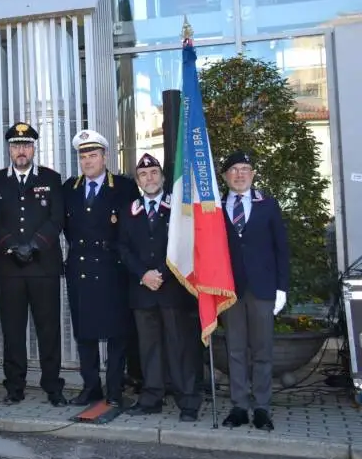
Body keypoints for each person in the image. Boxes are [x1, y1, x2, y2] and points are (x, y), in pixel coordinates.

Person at [0, 122, 68, 406]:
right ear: (9, 149)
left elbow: (57, 218)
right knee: (12, 331)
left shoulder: (51, 178)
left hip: (43, 266)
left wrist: (34, 245)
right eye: (16, 145)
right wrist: (12, 245)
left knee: (48, 330)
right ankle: (14, 387)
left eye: (26, 145)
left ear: (34, 147)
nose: (21, 150)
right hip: (10, 268)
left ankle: (53, 387)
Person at [118, 153, 200, 421]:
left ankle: (187, 400)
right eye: (143, 174)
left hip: (172, 289)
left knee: (178, 347)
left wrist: (161, 274)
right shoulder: (130, 210)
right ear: (138, 180)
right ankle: (152, 396)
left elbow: (184, 244)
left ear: (163, 177)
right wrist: (143, 274)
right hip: (142, 290)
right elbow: (123, 248)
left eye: (154, 173)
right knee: (149, 348)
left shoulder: (177, 208)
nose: (149, 178)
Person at [62, 130, 139, 407]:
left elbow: (130, 230)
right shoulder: (68, 188)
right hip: (80, 267)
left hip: (113, 268)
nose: (87, 161)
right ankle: (91, 387)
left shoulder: (123, 187)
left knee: (117, 333)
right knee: (85, 332)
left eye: (93, 155)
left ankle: (115, 389)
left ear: (105, 156)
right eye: (83, 156)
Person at [220, 150, 289, 431]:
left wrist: (282, 287)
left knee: (262, 350)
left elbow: (281, 249)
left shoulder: (267, 205)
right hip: (230, 289)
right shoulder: (215, 207)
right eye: (234, 170)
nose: (240, 174)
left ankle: (261, 407)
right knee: (235, 350)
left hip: (262, 288)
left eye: (245, 169)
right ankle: (239, 406)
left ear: (253, 174)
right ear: (225, 176)